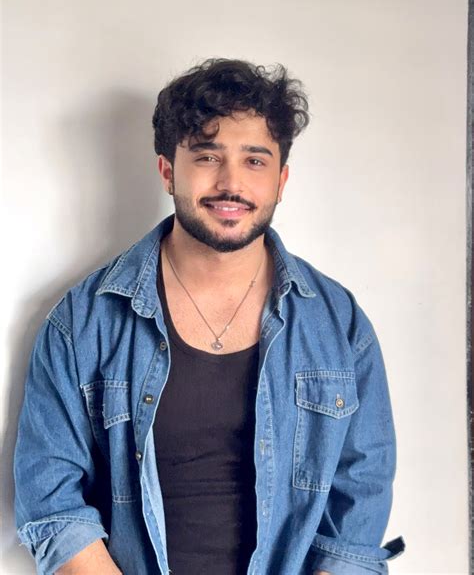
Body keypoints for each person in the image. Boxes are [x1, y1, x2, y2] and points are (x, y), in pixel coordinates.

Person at [14, 58, 406, 575]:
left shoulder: (339, 326)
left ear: (281, 180)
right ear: (167, 171)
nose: (230, 182)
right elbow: (52, 503)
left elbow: (358, 508)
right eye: (207, 156)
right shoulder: (84, 322)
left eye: (255, 160)